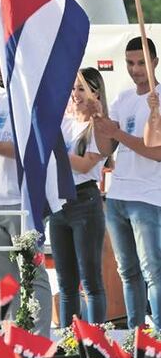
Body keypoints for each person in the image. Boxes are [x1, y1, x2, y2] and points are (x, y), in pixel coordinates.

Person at [0, 76, 54, 336]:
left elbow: (27, 150)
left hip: (23, 202)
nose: (1, 71)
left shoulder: (33, 103)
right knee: (4, 279)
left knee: (33, 275)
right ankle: (13, 334)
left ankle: (40, 337)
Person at [94, 37, 161, 329]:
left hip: (148, 196)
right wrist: (98, 122)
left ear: (155, 63)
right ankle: (137, 336)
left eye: (141, 63)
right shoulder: (123, 98)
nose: (135, 70)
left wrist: (117, 134)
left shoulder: (158, 99)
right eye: (130, 63)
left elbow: (156, 152)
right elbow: (106, 149)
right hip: (117, 195)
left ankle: (157, 336)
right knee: (127, 271)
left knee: (152, 271)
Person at [49, 68, 108, 326]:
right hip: (58, 203)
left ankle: (96, 342)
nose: (75, 94)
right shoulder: (64, 122)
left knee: (91, 280)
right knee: (66, 283)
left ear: (95, 92)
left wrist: (56, 150)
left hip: (85, 202)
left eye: (81, 88)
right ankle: (69, 341)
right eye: (73, 89)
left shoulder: (99, 127)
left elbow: (85, 166)